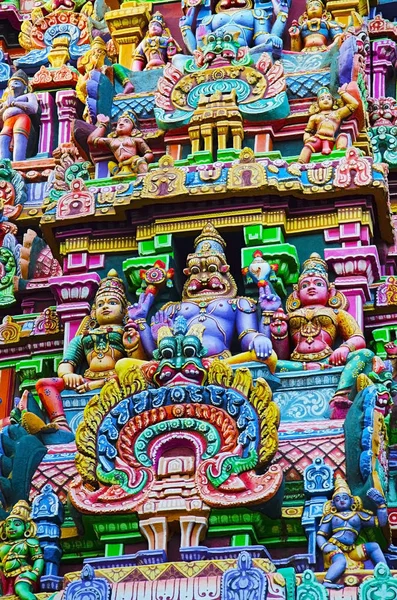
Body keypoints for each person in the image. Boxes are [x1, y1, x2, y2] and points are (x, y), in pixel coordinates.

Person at [317, 477, 388, 589]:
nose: (341, 500)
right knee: (340, 561)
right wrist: (325, 546)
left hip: (352, 550)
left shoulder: (359, 515)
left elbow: (381, 522)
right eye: (337, 499)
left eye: (345, 498)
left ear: (352, 501)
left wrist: (381, 506)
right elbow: (320, 534)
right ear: (333, 504)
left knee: (374, 547)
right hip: (335, 547)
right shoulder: (331, 517)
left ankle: (384, 571)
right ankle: (327, 581)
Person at [298, 85, 359, 163]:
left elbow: (354, 104)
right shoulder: (314, 117)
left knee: (343, 137)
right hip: (318, 138)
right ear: (317, 104)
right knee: (308, 147)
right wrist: (307, 139)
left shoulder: (337, 114)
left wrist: (342, 93)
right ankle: (300, 164)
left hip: (331, 140)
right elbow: (308, 131)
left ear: (333, 103)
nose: (325, 100)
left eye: (329, 98)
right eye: (322, 99)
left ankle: (341, 157)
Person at [0, 500, 44, 600]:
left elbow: (38, 559)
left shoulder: (29, 542)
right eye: (7, 525)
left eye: (16, 524)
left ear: (26, 527)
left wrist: (34, 573)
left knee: (21, 590)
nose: (11, 527)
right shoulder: (2, 546)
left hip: (22, 574)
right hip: (5, 577)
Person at [87, 111, 154, 176]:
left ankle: (144, 178)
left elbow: (149, 153)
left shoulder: (136, 140)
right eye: (119, 122)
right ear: (115, 130)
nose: (121, 123)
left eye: (126, 121)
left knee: (140, 163)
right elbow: (92, 140)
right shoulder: (111, 141)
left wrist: (143, 159)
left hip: (134, 162)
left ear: (133, 130)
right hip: (120, 166)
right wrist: (103, 124)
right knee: (110, 164)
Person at [0, 71, 38, 162]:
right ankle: (3, 164)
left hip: (22, 118)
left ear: (25, 87)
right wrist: (5, 106)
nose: (14, 82)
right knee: (3, 139)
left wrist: (15, 103)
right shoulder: (5, 102)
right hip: (7, 122)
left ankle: (18, 163)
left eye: (18, 81)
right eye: (12, 81)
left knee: (19, 137)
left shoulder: (29, 95)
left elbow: (34, 108)